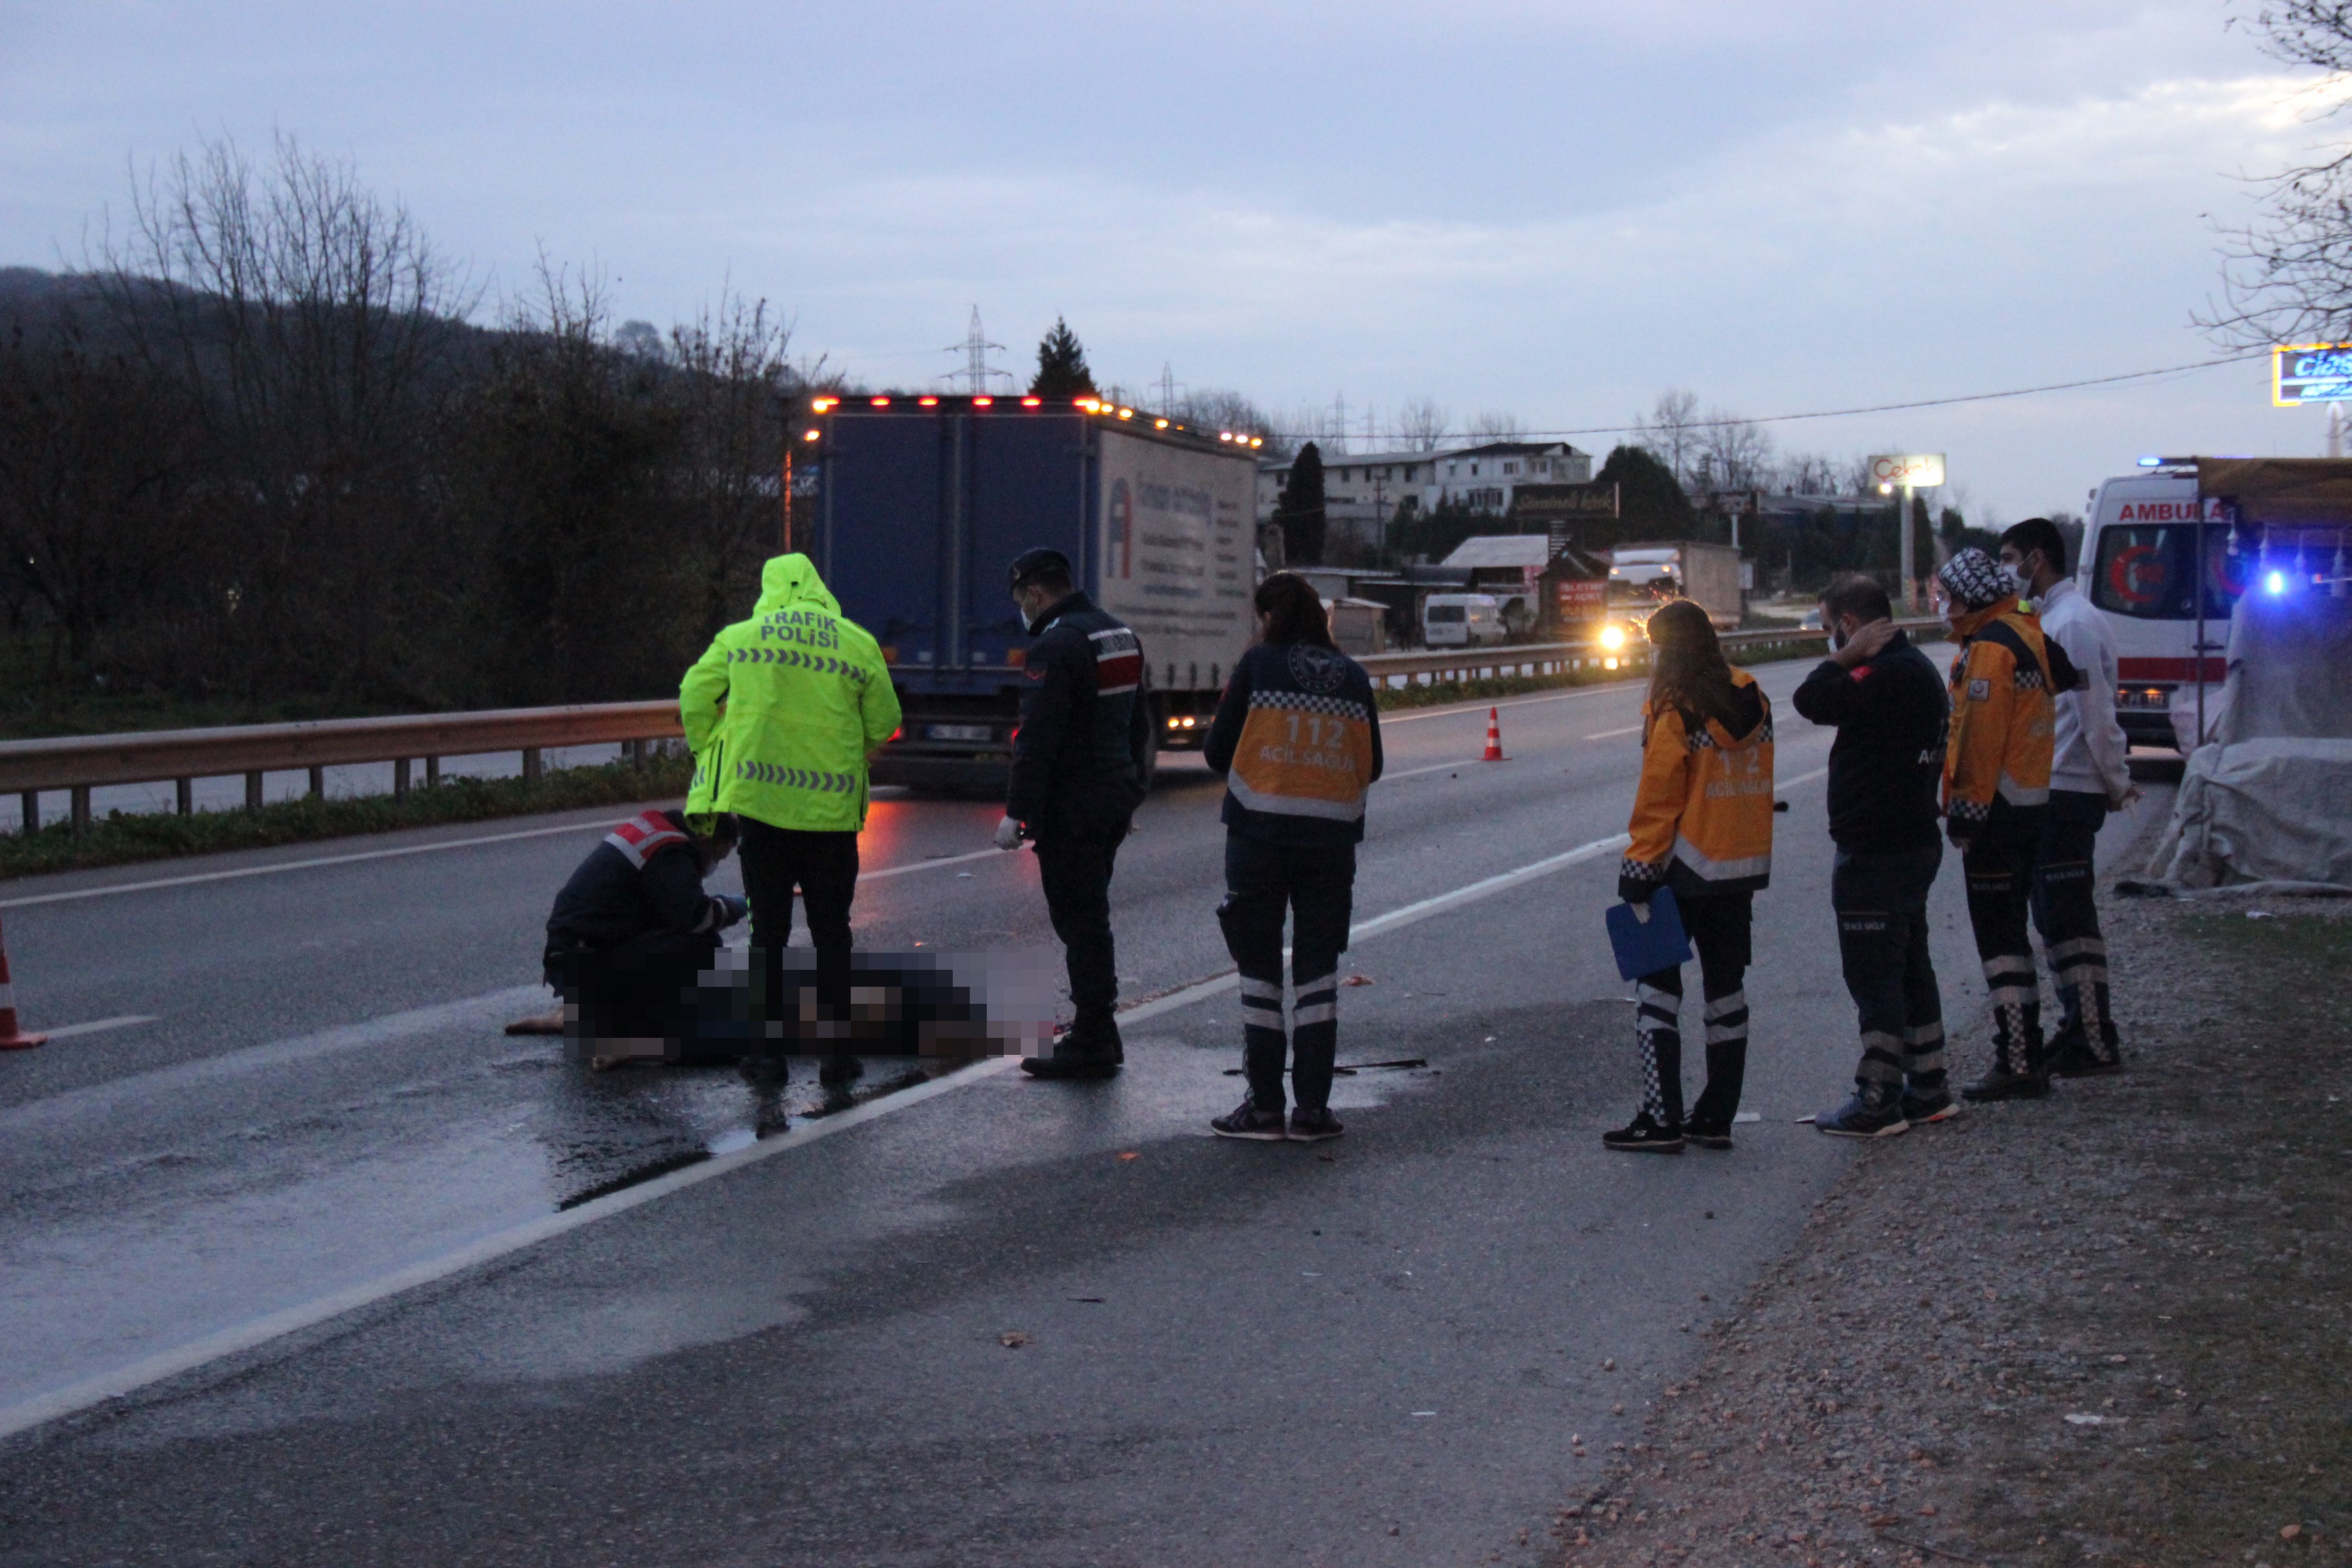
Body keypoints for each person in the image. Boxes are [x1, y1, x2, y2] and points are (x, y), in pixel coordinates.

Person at [680, 552, 901, 1086]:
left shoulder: (742, 637)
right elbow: (887, 720)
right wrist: (846, 752)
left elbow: (694, 694)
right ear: (818, 588)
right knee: (832, 934)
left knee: (768, 936)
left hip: (764, 815)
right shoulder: (856, 641)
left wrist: (710, 745)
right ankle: (838, 1055)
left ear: (771, 588)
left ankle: (766, 1056)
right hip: (830, 821)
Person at [1199, 573, 1384, 1141]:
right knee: (1317, 976)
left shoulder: (1257, 667)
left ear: (1270, 617)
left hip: (1258, 837)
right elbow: (1371, 764)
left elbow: (1214, 752)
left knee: (1260, 976)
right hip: (1330, 844)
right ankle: (1311, 1110)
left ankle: (1263, 1109)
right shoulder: (1353, 678)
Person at [1606, 599, 1775, 1154]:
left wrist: (1638, 869)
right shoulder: (1753, 697)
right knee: (1726, 995)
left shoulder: (1674, 706)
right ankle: (1716, 1116)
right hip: (1738, 869)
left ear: (1667, 649)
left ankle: (1661, 1118)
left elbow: (1661, 797)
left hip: (1681, 869)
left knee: (1656, 993)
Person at [1792, 574, 1954, 1137]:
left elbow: (1810, 700)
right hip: (1909, 841)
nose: (1826, 640)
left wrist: (1848, 658)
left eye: (1827, 628)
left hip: (1878, 848)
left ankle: (1879, 1096)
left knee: (1874, 973)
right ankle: (1929, 1085)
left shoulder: (1884, 674)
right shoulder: (1916, 669)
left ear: (1851, 625)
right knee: (1910, 965)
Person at [994, 548, 1152, 1079]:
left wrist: (1016, 813)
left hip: (1073, 808)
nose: (1023, 610)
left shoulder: (1055, 646)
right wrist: (1132, 790)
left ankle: (1091, 1037)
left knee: (1080, 922)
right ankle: (1100, 1031)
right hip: (1111, 798)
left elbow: (1036, 740)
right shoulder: (1118, 635)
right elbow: (1139, 725)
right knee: (1092, 915)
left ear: (1036, 595)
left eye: (1022, 601)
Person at [1936, 546, 2080, 1102]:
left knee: (1999, 942)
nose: (1945, 609)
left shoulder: (1992, 649)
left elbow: (1978, 738)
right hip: (2030, 803)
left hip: (1996, 813)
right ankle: (2024, 1055)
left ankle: (2017, 1059)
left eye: (1949, 597)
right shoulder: (2029, 633)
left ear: (1971, 597)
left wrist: (1965, 816)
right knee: (2013, 936)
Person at [1999, 518, 2135, 1077]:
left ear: (2037, 558)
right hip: (2048, 790)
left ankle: (2095, 1037)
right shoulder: (2047, 618)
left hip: (2069, 789)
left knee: (2069, 917)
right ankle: (2077, 1027)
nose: (2005, 568)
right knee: (2052, 916)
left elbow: (2095, 715)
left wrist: (2116, 781)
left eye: (2010, 557)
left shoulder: (2073, 624)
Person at [536, 808, 747, 1069]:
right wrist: (742, 905)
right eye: (718, 855)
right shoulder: (672, 851)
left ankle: (589, 1014)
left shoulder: (655, 828)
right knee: (704, 946)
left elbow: (665, 912)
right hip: (582, 960)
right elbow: (696, 917)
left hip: (569, 955)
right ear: (705, 841)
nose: (714, 864)